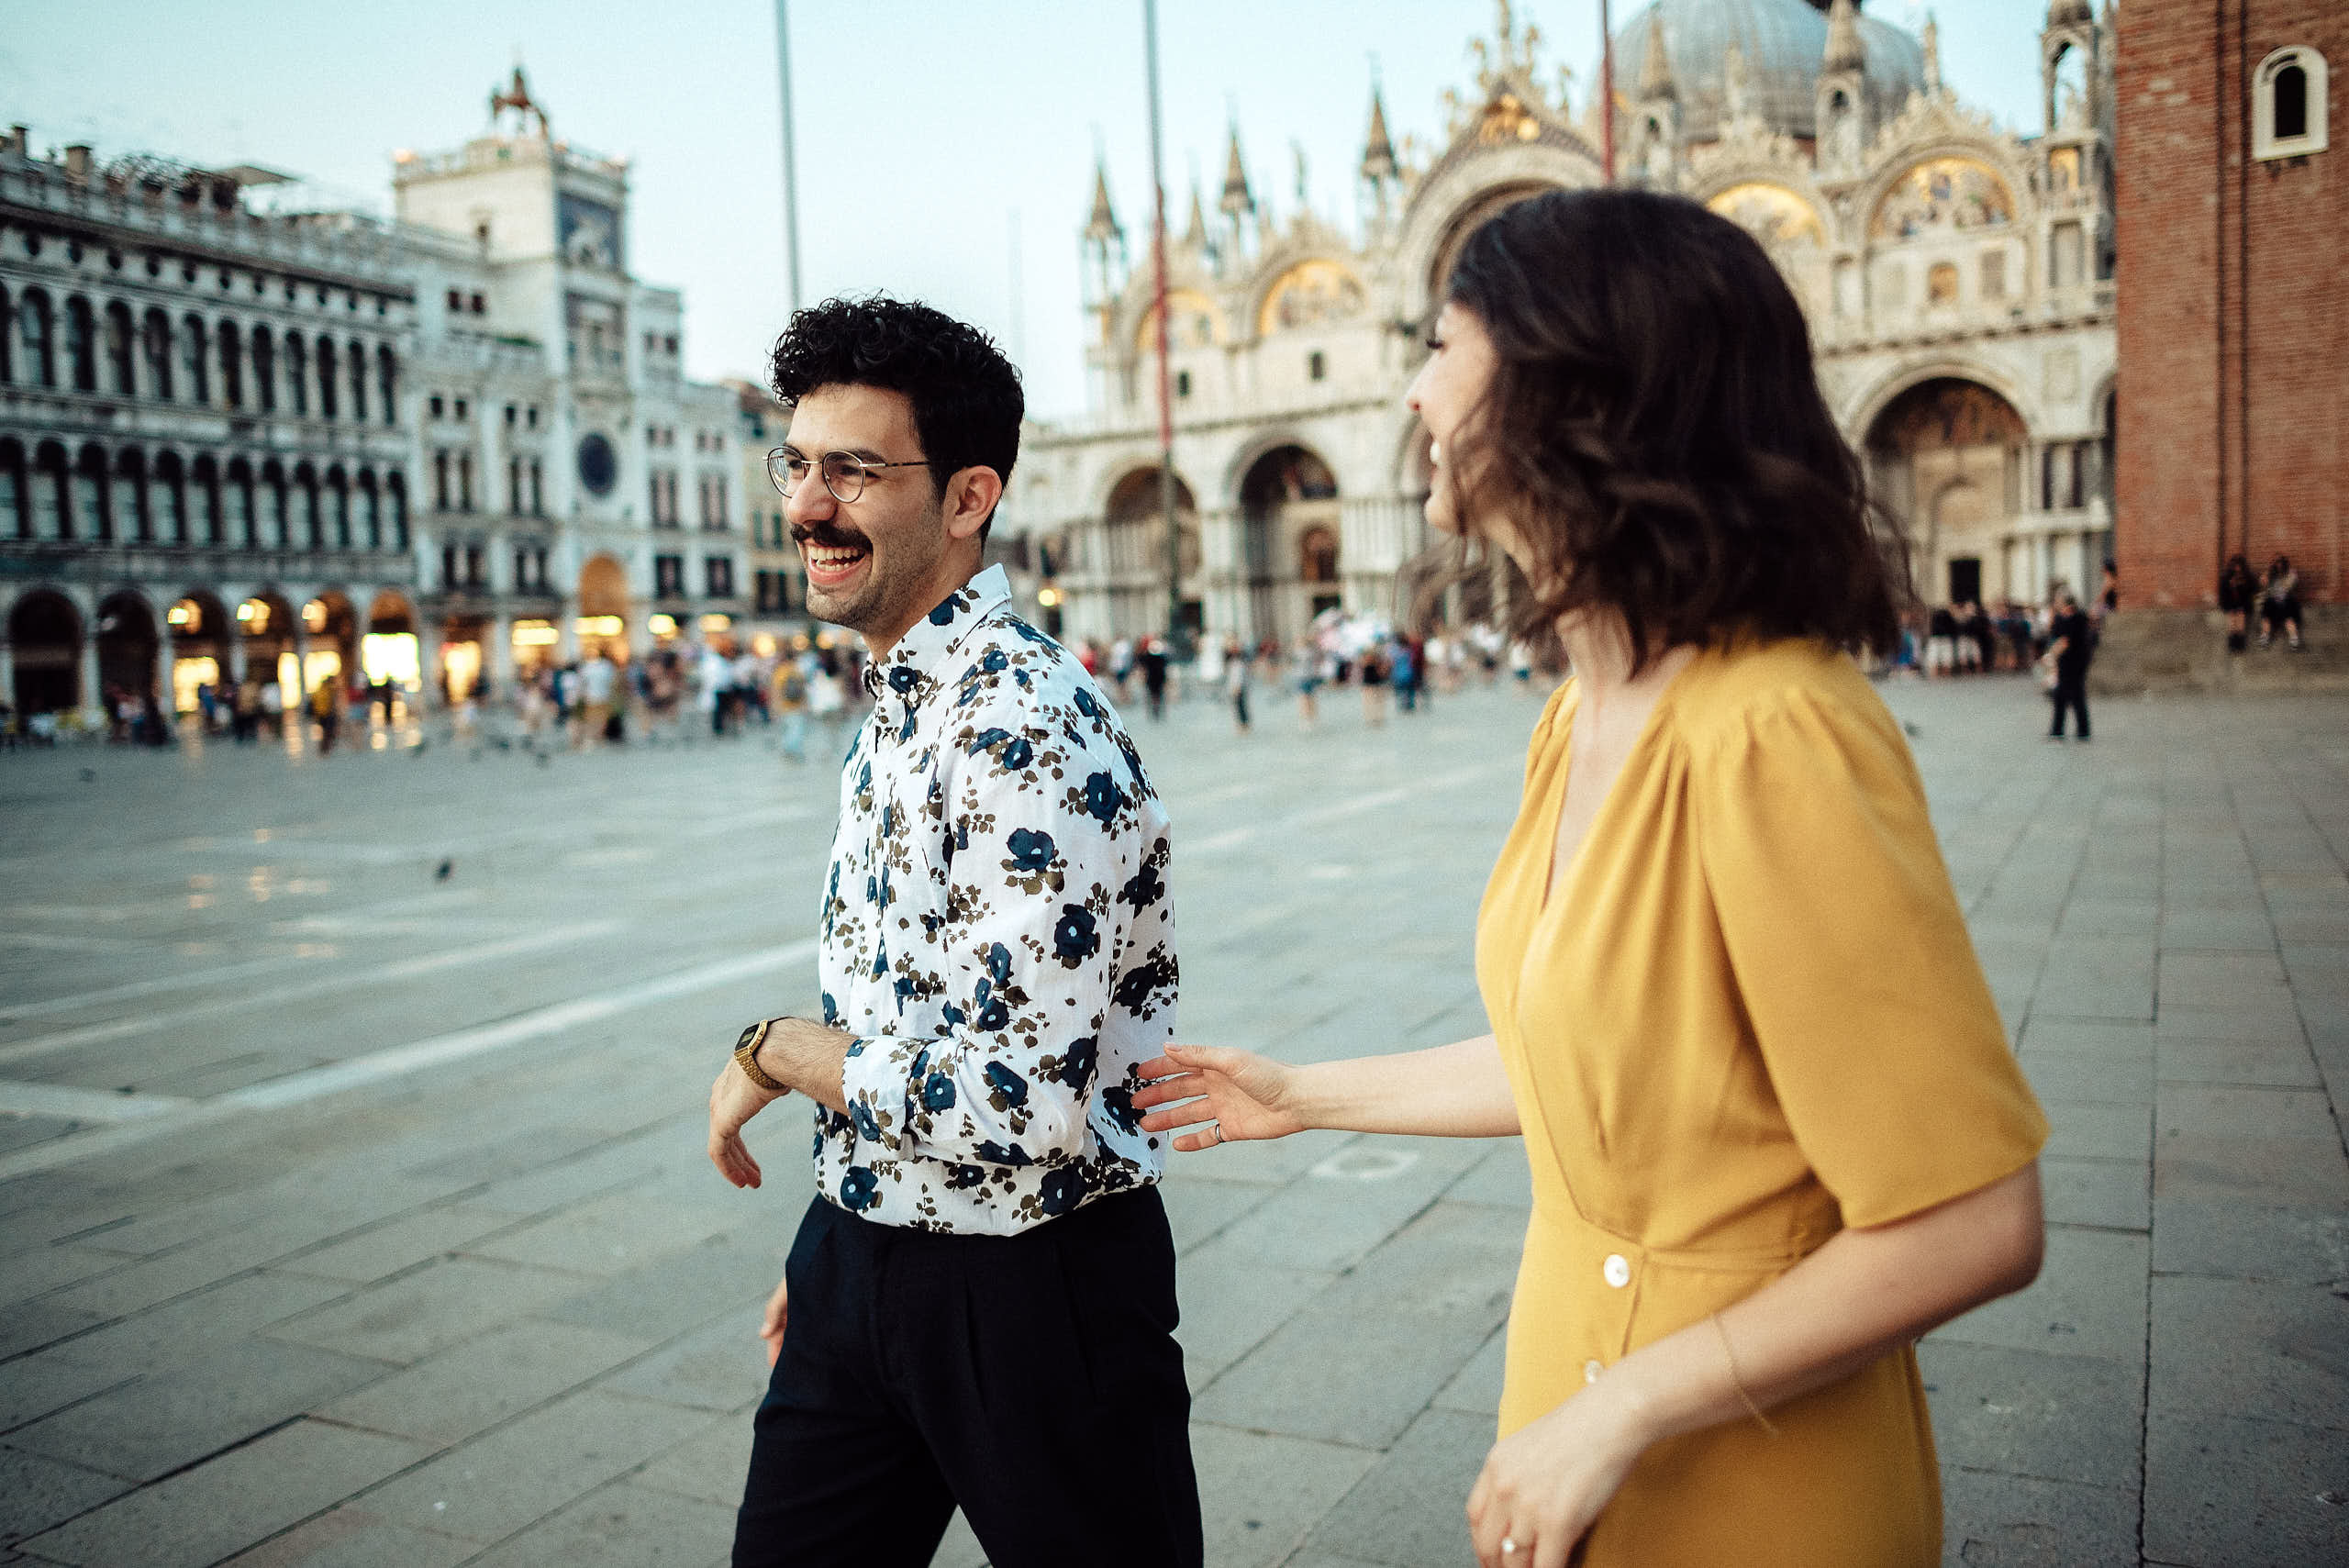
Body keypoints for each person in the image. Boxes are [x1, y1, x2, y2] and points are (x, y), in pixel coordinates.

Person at [1132, 189, 2047, 1568]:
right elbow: (1595, 1063)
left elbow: (1973, 1218)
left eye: (1444, 345)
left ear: (1573, 390)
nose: (1414, 387)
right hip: (1577, 1431)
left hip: (1757, 1485)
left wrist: (1626, 1408)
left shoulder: (1772, 728)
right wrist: (1302, 1095)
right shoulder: (1581, 712)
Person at [706, 295, 1200, 1568]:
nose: (811, 505)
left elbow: (1019, 1098)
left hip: (1035, 1291)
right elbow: (914, 1009)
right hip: (871, 1245)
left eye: (858, 471)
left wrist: (775, 1053)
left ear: (970, 496)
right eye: (800, 464)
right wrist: (847, 1252)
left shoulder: (1017, 723)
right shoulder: (908, 693)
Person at [2046, 589, 2095, 740]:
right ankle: (2059, 730)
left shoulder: (2077, 618)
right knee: (2061, 694)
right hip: (2065, 661)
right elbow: (2053, 632)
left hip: (2076, 660)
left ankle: (2081, 730)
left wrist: (2050, 655)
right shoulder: (2061, 618)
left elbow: (2065, 641)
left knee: (2076, 693)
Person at [2261, 554, 2303, 651]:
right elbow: (2263, 583)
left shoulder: (2291, 573)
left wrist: (2283, 578)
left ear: (2284, 564)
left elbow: (2288, 586)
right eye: (2276, 563)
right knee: (2266, 615)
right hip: (2273, 602)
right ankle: (2264, 637)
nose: (2278, 565)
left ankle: (2294, 639)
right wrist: (2268, 573)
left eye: (2280, 563)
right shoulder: (2271, 574)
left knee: (2289, 618)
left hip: (2286, 601)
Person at [2218, 553, 2256, 653]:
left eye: (2239, 566)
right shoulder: (2226, 577)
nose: (2237, 568)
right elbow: (2222, 593)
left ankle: (2240, 643)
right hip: (2230, 603)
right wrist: (2231, 585)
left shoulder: (2247, 577)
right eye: (2235, 566)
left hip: (2242, 604)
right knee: (2232, 622)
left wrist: (2243, 585)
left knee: (2241, 619)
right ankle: (2232, 643)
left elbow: (2253, 590)